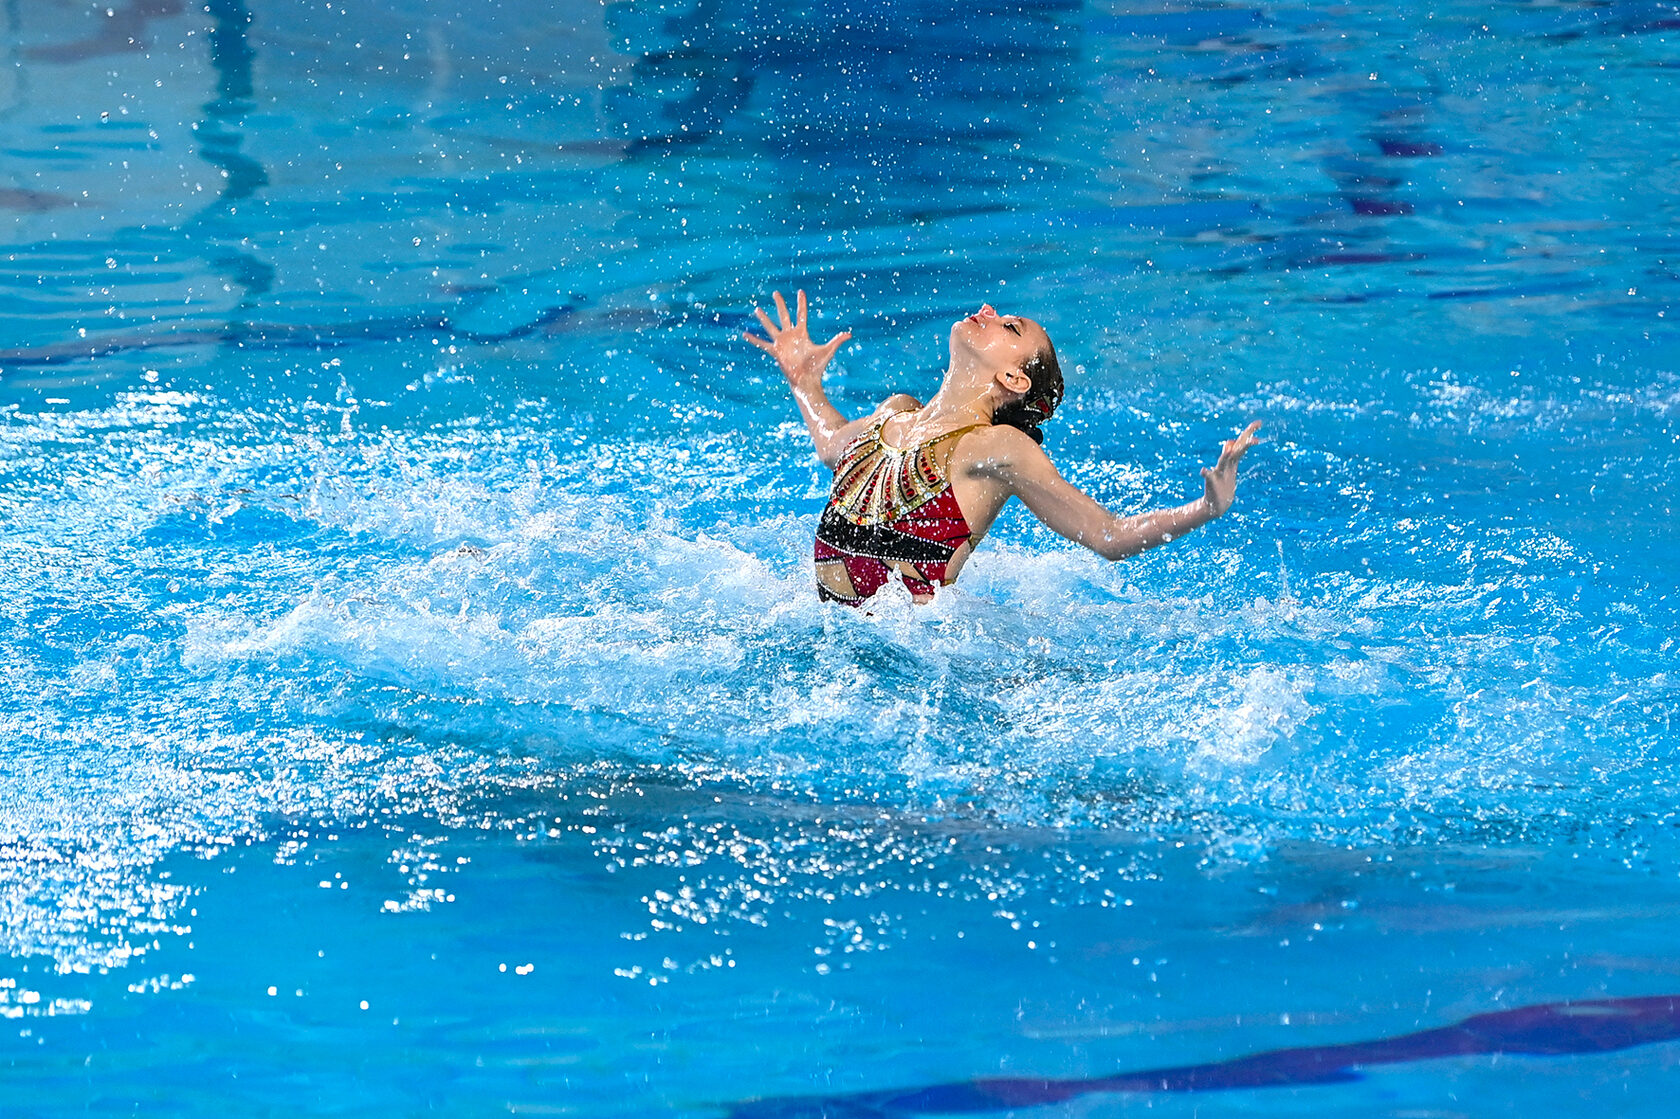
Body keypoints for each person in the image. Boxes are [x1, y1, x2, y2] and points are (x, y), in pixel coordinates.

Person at [744, 290, 1261, 607]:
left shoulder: (995, 448)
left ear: (1013, 378)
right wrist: (805, 385)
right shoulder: (893, 414)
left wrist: (1207, 509)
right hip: (832, 642)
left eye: (1009, 326)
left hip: (914, 668)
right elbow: (833, 445)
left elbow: (1107, 534)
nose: (988, 309)